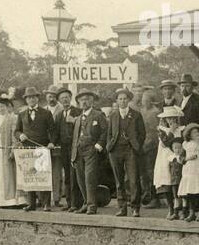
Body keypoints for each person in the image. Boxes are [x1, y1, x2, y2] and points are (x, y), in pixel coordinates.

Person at [105, 88, 146, 217]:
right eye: (120, 99)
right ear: (117, 101)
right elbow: (109, 133)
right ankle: (122, 208)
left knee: (133, 180)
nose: (122, 101)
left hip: (130, 150)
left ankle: (135, 207)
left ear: (128, 100)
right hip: (116, 150)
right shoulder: (113, 115)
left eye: (125, 99)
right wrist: (109, 146)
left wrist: (136, 145)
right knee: (119, 181)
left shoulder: (136, 115)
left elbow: (142, 133)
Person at [15, 87, 55, 211]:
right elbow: (16, 131)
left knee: (43, 176)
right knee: (29, 175)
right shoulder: (21, 114)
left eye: (33, 97)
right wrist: (20, 135)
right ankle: (31, 203)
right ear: (26, 100)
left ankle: (46, 204)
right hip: (27, 149)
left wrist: (52, 142)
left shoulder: (46, 113)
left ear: (37, 98)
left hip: (42, 148)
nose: (31, 99)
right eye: (29, 98)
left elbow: (53, 130)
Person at [70, 89, 107, 215]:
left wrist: (98, 146)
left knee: (90, 178)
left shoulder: (98, 115)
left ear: (92, 100)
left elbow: (105, 132)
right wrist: (73, 155)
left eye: (87, 99)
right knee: (80, 178)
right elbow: (75, 137)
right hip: (79, 151)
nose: (84, 102)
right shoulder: (78, 118)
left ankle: (92, 206)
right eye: (81, 100)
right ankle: (86, 203)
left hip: (91, 150)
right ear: (78, 102)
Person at [153, 105, 184, 219]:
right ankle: (171, 208)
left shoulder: (181, 129)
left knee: (177, 184)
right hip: (165, 157)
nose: (171, 120)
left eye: (173, 118)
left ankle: (180, 210)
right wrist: (170, 131)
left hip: (176, 158)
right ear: (165, 119)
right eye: (168, 118)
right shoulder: (162, 130)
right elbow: (165, 143)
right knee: (167, 184)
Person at [52, 89, 80, 209]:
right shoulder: (59, 115)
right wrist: (52, 143)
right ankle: (69, 203)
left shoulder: (78, 112)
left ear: (70, 98)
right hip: (64, 149)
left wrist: (74, 121)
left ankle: (77, 203)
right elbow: (56, 133)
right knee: (67, 176)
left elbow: (84, 127)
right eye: (62, 98)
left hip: (76, 148)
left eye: (67, 97)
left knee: (75, 175)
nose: (65, 100)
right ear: (59, 101)